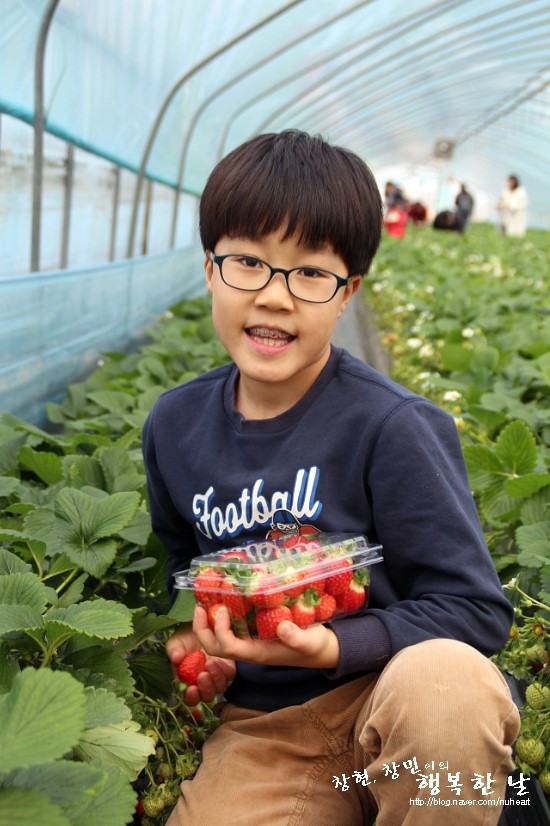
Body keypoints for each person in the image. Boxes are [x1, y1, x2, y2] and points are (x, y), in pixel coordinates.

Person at [142, 129, 519, 826]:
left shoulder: (394, 427)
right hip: (269, 730)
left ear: (348, 293)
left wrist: (338, 644)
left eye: (310, 273)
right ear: (208, 270)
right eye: (248, 262)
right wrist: (205, 643)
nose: (276, 297)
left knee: (448, 687)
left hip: (393, 697)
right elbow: (185, 572)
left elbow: (475, 610)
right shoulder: (173, 426)